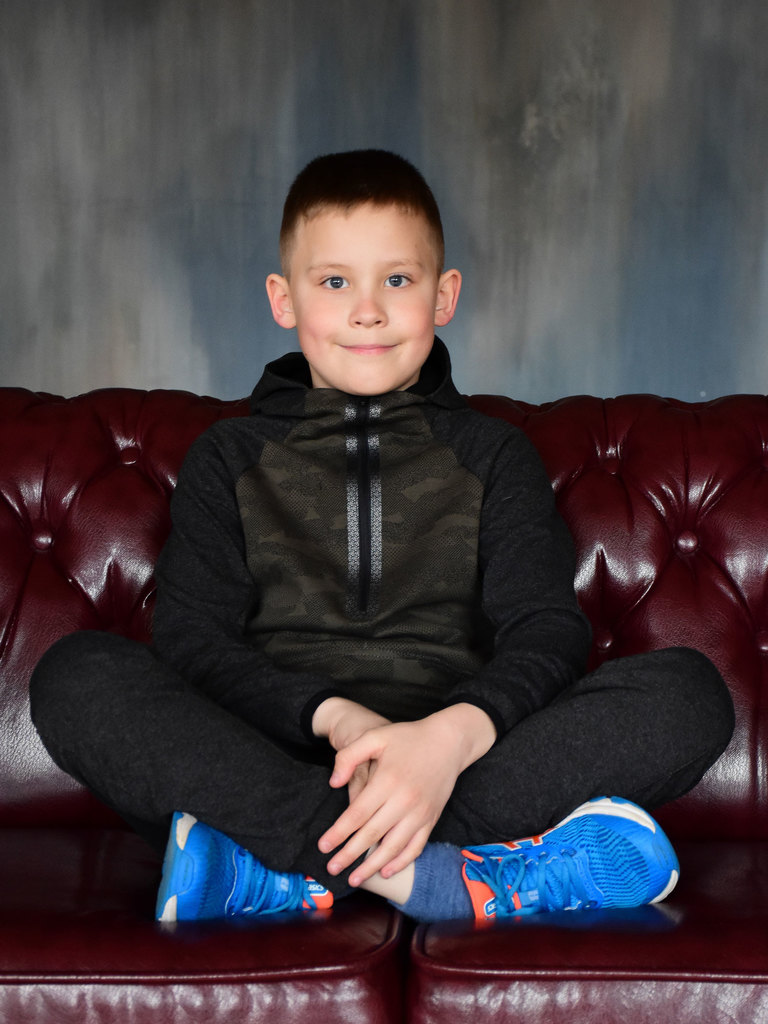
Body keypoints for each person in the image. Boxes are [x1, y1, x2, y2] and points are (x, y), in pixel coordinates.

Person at [29, 150, 734, 924]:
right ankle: (438, 875)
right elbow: (193, 640)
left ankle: (284, 872)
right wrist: (336, 717)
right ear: (284, 300)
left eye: (397, 280)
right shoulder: (227, 458)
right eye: (334, 283)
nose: (367, 311)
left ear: (443, 295)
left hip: (459, 763)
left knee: (689, 695)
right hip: (272, 761)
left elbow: (545, 631)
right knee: (74, 676)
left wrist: (445, 741)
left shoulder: (495, 455)